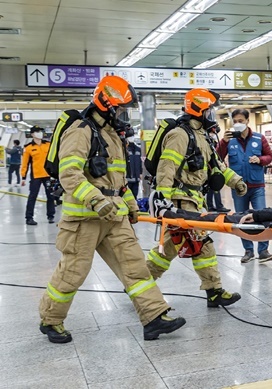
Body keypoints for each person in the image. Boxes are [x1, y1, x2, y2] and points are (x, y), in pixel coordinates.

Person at [38, 75, 186, 344]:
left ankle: (153, 317)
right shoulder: (81, 131)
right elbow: (69, 174)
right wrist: (96, 200)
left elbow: (117, 181)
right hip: (84, 220)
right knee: (72, 273)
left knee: (135, 266)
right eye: (121, 109)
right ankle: (51, 319)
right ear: (106, 104)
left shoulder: (112, 136)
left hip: (114, 216)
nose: (123, 115)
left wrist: (129, 204)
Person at [146, 88, 247, 308]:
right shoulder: (180, 135)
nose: (213, 115)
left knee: (195, 246)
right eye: (210, 110)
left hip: (194, 200)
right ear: (200, 109)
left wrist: (236, 182)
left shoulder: (202, 136)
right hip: (180, 200)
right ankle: (140, 284)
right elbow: (166, 167)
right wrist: (163, 201)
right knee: (183, 246)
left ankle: (213, 291)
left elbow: (217, 167)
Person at [217, 108, 272, 264]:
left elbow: (270, 156)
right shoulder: (229, 141)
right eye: (235, 121)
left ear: (247, 121)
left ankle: (263, 250)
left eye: (240, 121)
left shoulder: (259, 138)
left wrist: (260, 160)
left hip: (257, 186)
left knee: (261, 216)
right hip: (239, 187)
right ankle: (248, 251)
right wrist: (223, 142)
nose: (237, 124)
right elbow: (217, 157)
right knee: (242, 219)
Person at [21, 126, 56, 225]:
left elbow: (53, 159)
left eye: (40, 131)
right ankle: (29, 218)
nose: (39, 133)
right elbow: (25, 163)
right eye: (37, 132)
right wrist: (23, 177)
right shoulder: (28, 148)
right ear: (32, 134)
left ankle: (51, 216)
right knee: (32, 196)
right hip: (36, 176)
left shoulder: (48, 145)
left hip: (48, 175)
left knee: (50, 196)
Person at [206, 127, 230, 213]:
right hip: (210, 168)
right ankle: (217, 206)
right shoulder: (206, 141)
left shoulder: (212, 142)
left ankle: (210, 205)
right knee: (215, 187)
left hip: (213, 167)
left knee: (211, 189)